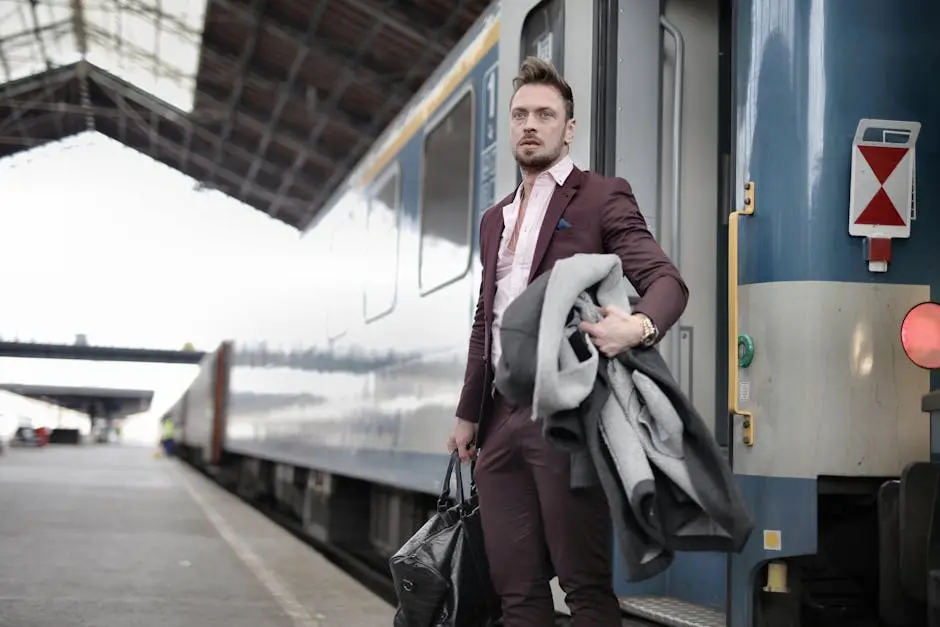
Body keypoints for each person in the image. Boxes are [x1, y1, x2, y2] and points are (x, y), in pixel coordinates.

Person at [447, 57, 689, 626]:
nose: (531, 124)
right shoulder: (493, 219)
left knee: (584, 587)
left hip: (568, 416)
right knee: (516, 592)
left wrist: (639, 325)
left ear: (568, 128)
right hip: (500, 420)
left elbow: (665, 281)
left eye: (545, 115)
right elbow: (487, 319)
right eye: (520, 115)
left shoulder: (601, 197)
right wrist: (467, 414)